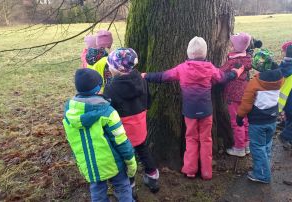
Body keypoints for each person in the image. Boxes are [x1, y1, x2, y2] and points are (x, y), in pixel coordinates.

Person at [142, 36, 244, 180]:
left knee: (191, 138)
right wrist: (236, 73)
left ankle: (190, 169)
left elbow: (163, 76)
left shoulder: (182, 68)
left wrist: (146, 75)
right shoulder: (210, 68)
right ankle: (206, 172)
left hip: (189, 111)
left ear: (189, 53)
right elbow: (223, 78)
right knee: (206, 139)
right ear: (205, 53)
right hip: (206, 111)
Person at [62, 68, 137, 201]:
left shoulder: (68, 114)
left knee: (97, 191)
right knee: (123, 187)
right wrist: (131, 161)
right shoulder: (108, 112)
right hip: (113, 163)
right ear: (98, 89)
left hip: (90, 166)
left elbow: (72, 142)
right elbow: (121, 141)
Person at [103, 48, 160, 195]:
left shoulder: (110, 88)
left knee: (126, 158)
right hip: (140, 126)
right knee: (143, 149)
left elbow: (109, 111)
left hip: (122, 131)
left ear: (117, 68)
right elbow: (148, 100)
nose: (109, 67)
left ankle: (130, 186)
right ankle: (153, 177)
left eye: (110, 65)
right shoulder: (142, 80)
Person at [236, 49, 283, 183]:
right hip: (272, 119)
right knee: (266, 145)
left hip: (258, 122)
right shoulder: (279, 79)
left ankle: (262, 174)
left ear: (259, 70)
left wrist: (240, 116)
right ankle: (264, 166)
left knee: (257, 147)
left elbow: (246, 103)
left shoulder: (255, 83)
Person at [220, 32, 253, 157]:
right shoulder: (247, 59)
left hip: (233, 95)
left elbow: (219, 73)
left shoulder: (233, 61)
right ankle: (246, 144)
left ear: (234, 47)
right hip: (245, 93)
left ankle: (239, 148)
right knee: (244, 119)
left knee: (236, 121)